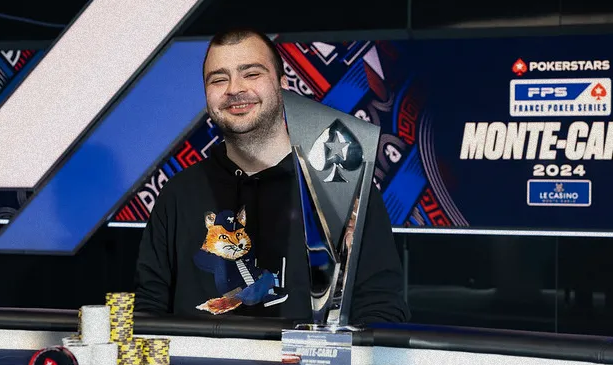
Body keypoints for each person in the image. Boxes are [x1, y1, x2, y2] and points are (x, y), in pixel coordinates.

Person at [134, 28, 409, 325]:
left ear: (283, 84)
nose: (234, 88)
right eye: (218, 79)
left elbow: (383, 310)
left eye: (251, 74)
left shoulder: (341, 188)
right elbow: (148, 310)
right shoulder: (178, 194)